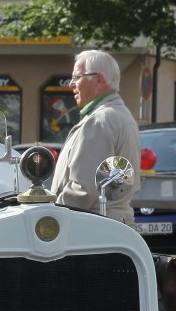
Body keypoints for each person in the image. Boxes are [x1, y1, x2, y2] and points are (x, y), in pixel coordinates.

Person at [52, 50, 141, 223]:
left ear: (98, 80)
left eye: (77, 77)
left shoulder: (99, 120)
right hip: (113, 222)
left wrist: (52, 214)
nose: (71, 84)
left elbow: (83, 189)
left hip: (91, 226)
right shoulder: (120, 115)